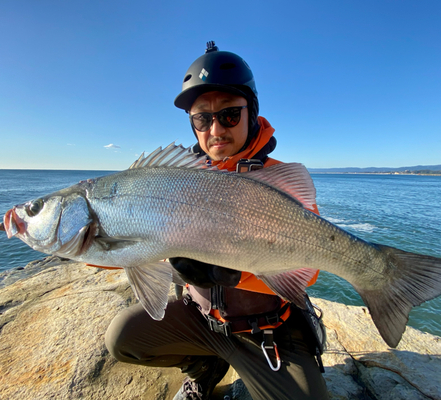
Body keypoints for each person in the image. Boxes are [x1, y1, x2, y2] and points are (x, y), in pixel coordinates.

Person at [105, 41, 329, 400]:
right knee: (122, 339)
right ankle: (203, 367)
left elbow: (310, 270)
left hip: (266, 333)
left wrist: (238, 274)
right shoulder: (173, 181)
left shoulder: (276, 179)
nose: (215, 130)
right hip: (203, 321)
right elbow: (121, 247)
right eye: (201, 119)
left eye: (228, 115)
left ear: (250, 112)